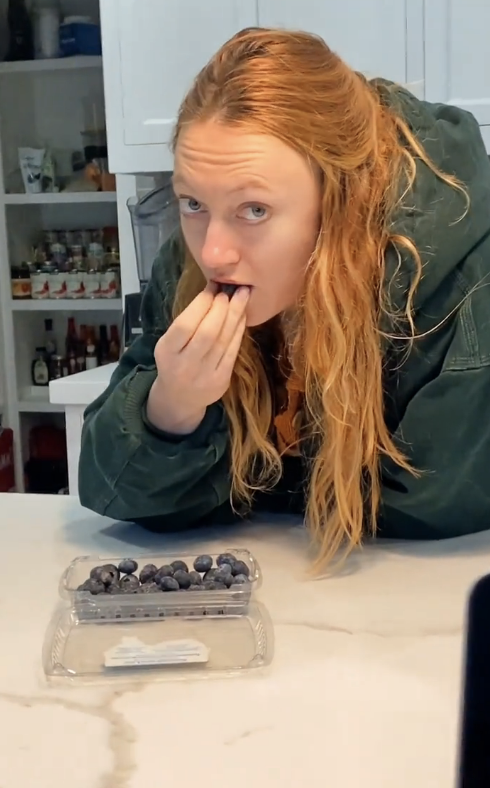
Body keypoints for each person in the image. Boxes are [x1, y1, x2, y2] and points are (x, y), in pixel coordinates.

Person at [79, 28, 490, 569]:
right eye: (192, 202)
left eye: (255, 210)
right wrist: (172, 405)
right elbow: (112, 488)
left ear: (340, 202)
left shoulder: (459, 274)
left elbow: (439, 501)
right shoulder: (189, 262)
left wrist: (237, 482)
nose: (215, 253)